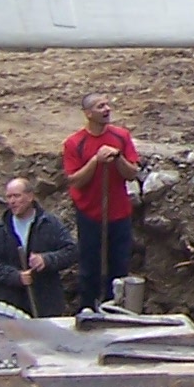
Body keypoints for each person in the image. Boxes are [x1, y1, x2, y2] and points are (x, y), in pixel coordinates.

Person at [61, 92, 140, 313]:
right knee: (89, 266)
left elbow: (132, 173)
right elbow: (74, 179)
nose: (106, 109)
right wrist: (95, 161)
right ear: (88, 113)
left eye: (107, 105)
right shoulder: (74, 143)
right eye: (100, 106)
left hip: (119, 213)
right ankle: (88, 308)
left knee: (119, 266)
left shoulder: (121, 136)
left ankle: (115, 309)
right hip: (90, 213)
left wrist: (118, 158)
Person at [0, 175, 78, 317]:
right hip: (10, 304)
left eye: (16, 196)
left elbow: (71, 251)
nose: (12, 201)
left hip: (45, 302)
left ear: (30, 196)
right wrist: (15, 276)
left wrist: (46, 260)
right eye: (9, 197)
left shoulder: (49, 224)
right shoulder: (0, 230)